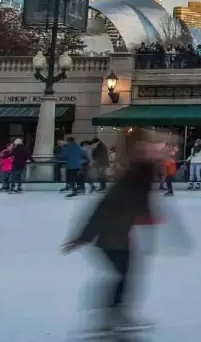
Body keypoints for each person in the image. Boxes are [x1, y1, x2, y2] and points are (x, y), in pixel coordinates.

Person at [62, 129, 168, 336]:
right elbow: (105, 209)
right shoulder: (132, 183)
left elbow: (140, 203)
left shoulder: (134, 184)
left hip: (117, 235)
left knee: (124, 274)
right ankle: (111, 315)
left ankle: (116, 313)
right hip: (111, 237)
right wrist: (83, 237)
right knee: (122, 275)